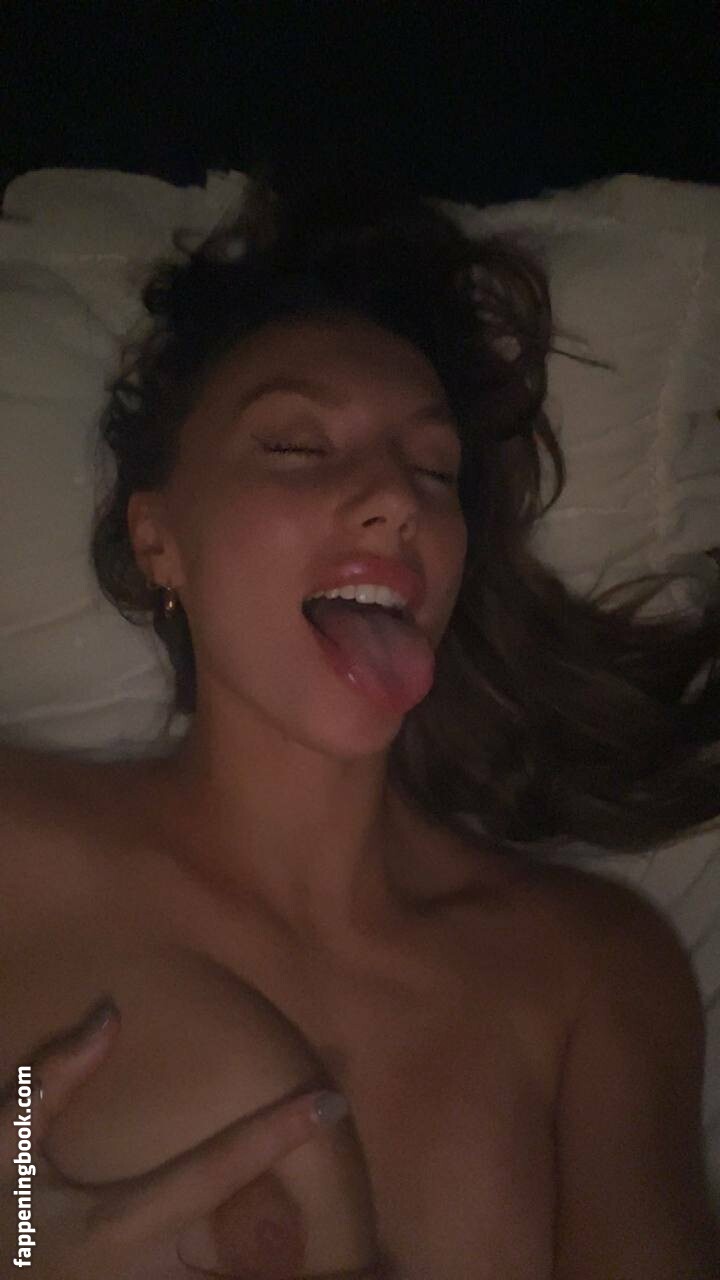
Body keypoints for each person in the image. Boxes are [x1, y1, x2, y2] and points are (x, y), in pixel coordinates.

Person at [1, 161, 719, 1278]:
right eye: (296, 446)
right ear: (159, 540)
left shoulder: (594, 971)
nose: (396, 498)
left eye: (434, 469)